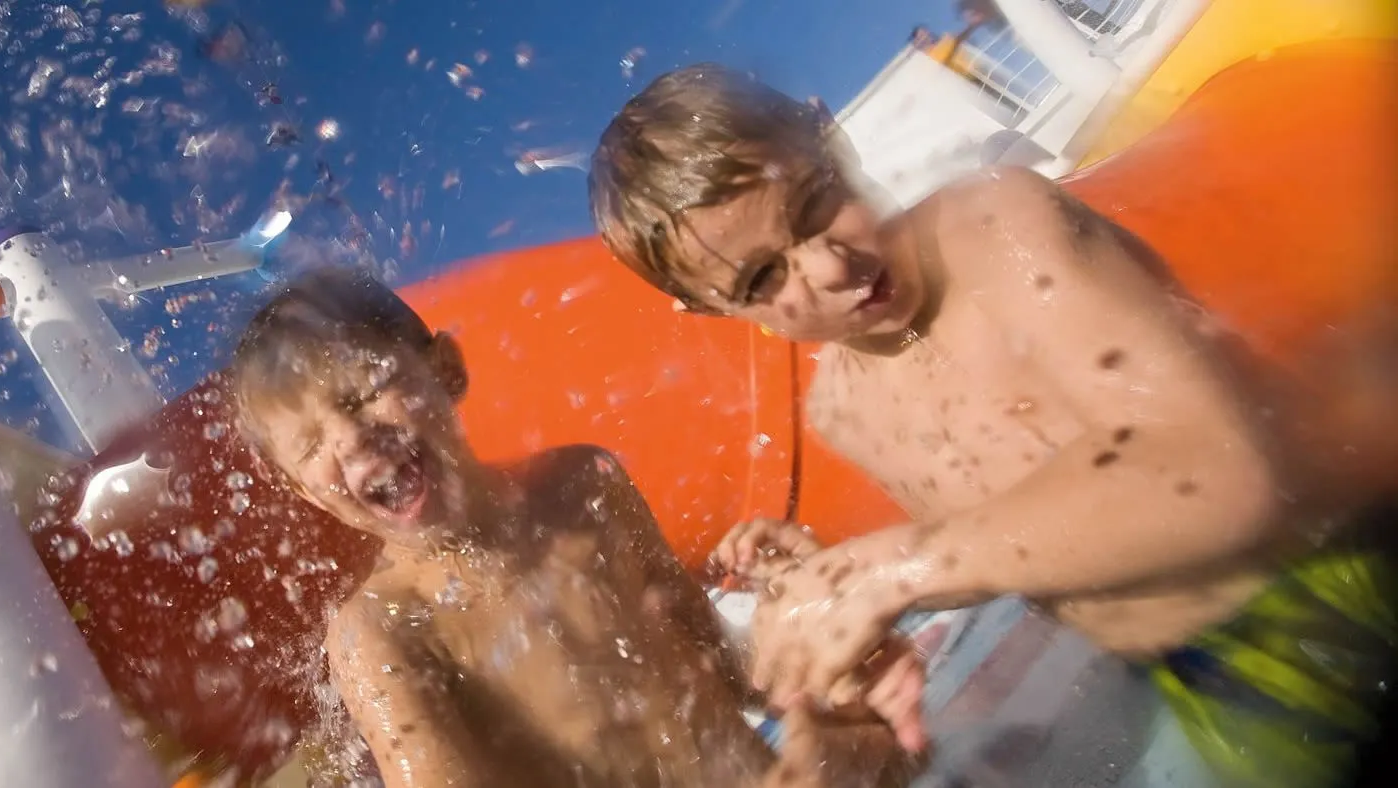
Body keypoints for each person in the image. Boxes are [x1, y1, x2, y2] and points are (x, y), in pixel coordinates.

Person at [587, 63, 1395, 788]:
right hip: (1197, 676)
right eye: (766, 276)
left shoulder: (995, 227)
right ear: (713, 309)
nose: (832, 267)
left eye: (815, 201)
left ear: (823, 130)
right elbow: (1020, 534)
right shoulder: (841, 412)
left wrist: (886, 572)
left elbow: (1220, 472)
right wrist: (864, 652)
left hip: (1337, 573)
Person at [226, 267, 928, 787]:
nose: (351, 442)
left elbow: (706, 655)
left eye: (363, 393)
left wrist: (813, 659)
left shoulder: (583, 484)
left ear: (446, 369)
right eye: (311, 446)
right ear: (305, 493)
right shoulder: (382, 627)